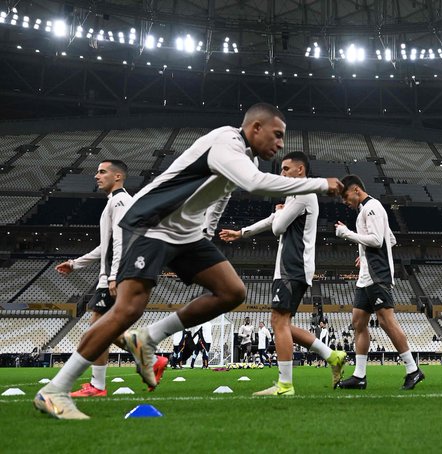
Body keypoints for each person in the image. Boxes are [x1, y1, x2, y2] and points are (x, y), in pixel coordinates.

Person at [34, 103, 344, 419]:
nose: (280, 144)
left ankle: (148, 338)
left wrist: (206, 233)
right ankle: (54, 390)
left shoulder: (246, 157)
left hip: (186, 234)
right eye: (277, 135)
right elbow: (255, 183)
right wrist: (321, 184)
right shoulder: (226, 142)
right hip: (152, 223)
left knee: (232, 292)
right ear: (255, 128)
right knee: (127, 309)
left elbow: (223, 195)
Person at [220, 151, 346, 396]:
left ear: (300, 170)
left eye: (286, 169)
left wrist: (279, 212)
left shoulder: (303, 192)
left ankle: (285, 385)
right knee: (281, 323)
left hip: (293, 266)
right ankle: (332, 356)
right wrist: (242, 232)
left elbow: (278, 227)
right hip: (291, 267)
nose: (282, 173)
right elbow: (274, 219)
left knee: (279, 322)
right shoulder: (295, 195)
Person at [54, 160, 168, 398]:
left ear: (118, 176)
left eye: (102, 172)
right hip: (111, 275)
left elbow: (122, 241)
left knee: (98, 329)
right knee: (101, 329)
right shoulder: (114, 202)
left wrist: (114, 275)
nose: (97, 176)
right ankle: (146, 359)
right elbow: (105, 246)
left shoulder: (120, 201)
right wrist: (75, 263)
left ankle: (100, 385)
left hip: (114, 276)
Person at [334, 175, 425, 390]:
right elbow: (389, 239)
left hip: (378, 275)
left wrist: (347, 234)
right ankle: (359, 376)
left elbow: (377, 240)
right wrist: (364, 255)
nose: (345, 202)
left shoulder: (372, 207)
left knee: (386, 321)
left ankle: (413, 370)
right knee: (358, 322)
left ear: (356, 190)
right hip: (366, 276)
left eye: (346, 196)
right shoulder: (365, 210)